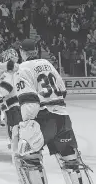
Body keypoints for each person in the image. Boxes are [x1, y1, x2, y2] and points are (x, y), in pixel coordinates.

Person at [12, 39, 93, 183]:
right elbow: (63, 90)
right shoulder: (47, 64)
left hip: (42, 118)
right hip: (63, 118)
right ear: (36, 51)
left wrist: (27, 126)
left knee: (30, 160)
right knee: (71, 161)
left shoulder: (22, 69)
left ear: (22, 52)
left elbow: (29, 100)